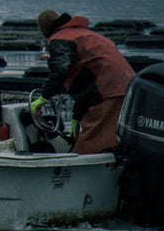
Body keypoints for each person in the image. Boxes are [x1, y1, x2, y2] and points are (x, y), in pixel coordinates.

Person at [32, 10, 136, 154]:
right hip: (128, 87)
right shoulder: (83, 34)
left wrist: (43, 98)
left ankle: (91, 175)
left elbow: (60, 71)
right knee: (113, 138)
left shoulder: (59, 39)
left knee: (89, 145)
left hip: (108, 90)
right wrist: (76, 117)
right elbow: (86, 81)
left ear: (44, 30)